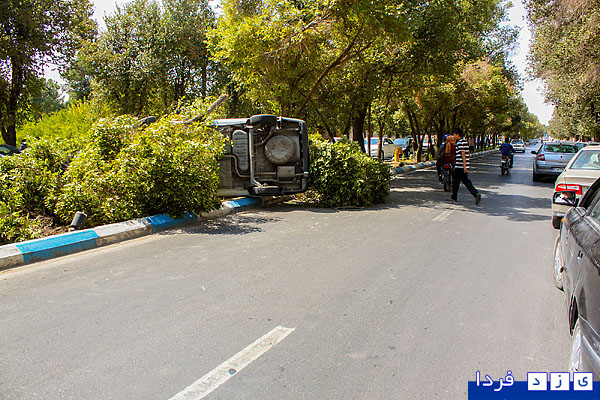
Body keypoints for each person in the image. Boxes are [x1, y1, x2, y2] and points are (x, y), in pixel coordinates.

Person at [451, 128, 481, 204]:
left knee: (456, 182)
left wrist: (464, 166)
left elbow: (463, 154)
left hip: (460, 166)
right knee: (465, 181)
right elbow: (468, 153)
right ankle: (475, 193)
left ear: (457, 134)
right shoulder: (465, 142)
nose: (453, 136)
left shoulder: (460, 142)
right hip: (462, 165)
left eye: (454, 134)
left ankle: (454, 197)